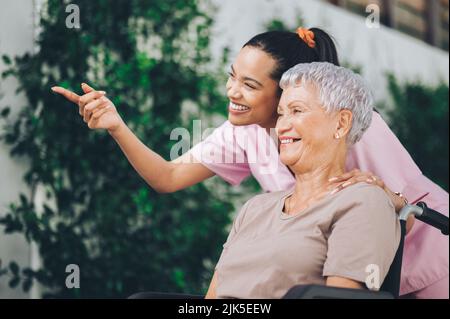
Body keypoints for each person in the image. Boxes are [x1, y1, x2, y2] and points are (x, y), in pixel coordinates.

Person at [52, 27, 448, 298]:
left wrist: (385, 200)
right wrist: (116, 125)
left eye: (250, 85)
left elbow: (402, 211)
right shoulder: (243, 131)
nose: (232, 92)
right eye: (232, 76)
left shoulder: (345, 122)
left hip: (430, 254)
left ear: (284, 91)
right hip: (357, 270)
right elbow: (168, 176)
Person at [206, 62, 400, 298]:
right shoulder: (255, 209)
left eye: (297, 111)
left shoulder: (363, 202)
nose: (281, 127)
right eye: (280, 114)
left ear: (341, 123)